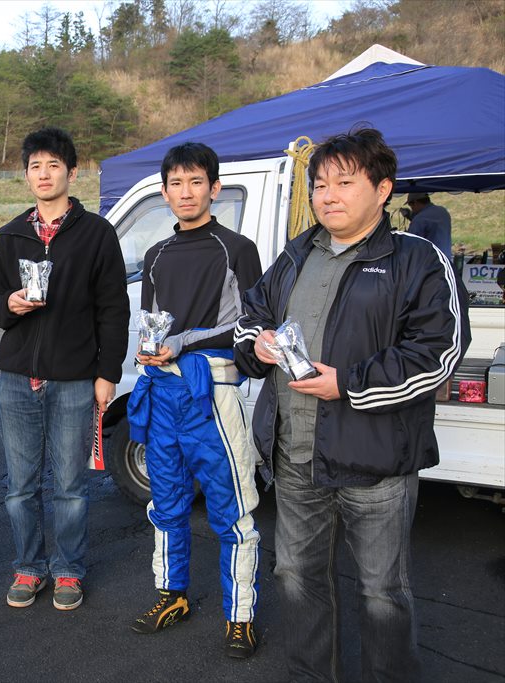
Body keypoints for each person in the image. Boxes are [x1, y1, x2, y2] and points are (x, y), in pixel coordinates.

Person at [233, 128, 470, 681]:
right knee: (296, 576)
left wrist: (349, 384)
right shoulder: (297, 253)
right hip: (296, 455)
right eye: (319, 184)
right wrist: (256, 346)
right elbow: (250, 317)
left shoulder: (416, 259)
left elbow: (438, 353)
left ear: (383, 190)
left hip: (376, 461)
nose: (328, 196)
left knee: (383, 592)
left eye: (344, 182)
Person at [126, 143, 263, 658]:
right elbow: (153, 325)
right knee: (165, 503)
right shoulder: (156, 255)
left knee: (233, 510)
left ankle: (240, 617)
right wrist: (151, 350)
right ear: (164, 193)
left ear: (214, 188)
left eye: (196, 182)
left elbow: (251, 324)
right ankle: (172, 596)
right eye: (176, 184)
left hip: (214, 393)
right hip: (163, 392)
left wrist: (183, 342)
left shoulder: (237, 248)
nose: (186, 192)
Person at [0, 127, 129, 611]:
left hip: (73, 379)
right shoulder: (11, 235)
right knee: (19, 487)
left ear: (72, 171)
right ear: (26, 175)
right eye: (35, 167)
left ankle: (68, 569)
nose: (44, 174)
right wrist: (9, 305)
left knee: (70, 485)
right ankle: (28, 567)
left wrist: (107, 373)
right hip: (15, 379)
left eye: (53, 165)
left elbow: (114, 309)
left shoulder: (96, 234)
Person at [404, 192, 452, 258]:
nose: (412, 208)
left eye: (410, 205)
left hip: (430, 260)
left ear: (415, 202)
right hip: (446, 257)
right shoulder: (443, 211)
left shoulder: (420, 219)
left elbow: (411, 242)